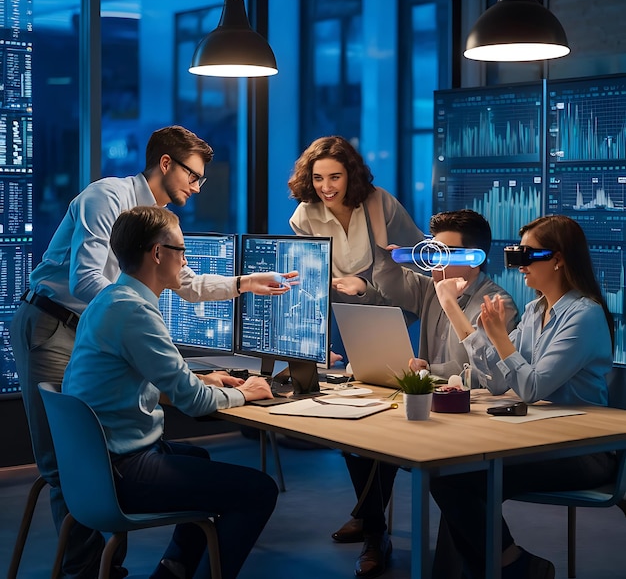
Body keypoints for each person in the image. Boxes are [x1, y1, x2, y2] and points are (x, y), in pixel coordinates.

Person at [10, 125, 298, 579]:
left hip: (93, 325)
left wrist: (242, 283)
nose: (197, 186)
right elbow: (89, 281)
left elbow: (177, 281)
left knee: (142, 452)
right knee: (65, 464)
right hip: (51, 323)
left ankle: (154, 568)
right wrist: (132, 323)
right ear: (166, 163)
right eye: (194, 175)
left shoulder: (152, 231)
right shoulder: (107, 198)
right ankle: (86, 572)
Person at [62, 205, 280, 579]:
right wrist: (248, 391)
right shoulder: (135, 313)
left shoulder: (109, 300)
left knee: (199, 457)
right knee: (259, 491)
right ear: (157, 253)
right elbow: (192, 403)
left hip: (95, 466)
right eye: (181, 250)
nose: (185, 260)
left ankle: (173, 570)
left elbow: (141, 378)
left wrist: (207, 379)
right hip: (124, 470)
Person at [331, 209, 519, 579]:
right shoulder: (434, 287)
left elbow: (476, 376)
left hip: (468, 417)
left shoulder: (497, 304)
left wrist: (423, 370)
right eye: (434, 250)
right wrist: (384, 258)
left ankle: (370, 525)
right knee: (360, 441)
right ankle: (373, 529)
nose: (436, 259)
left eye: (447, 252)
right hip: (427, 404)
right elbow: (393, 284)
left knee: (399, 452)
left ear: (473, 258)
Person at [430, 214, 616, 579]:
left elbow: (533, 387)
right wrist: (460, 315)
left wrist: (495, 335)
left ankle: (510, 565)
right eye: (516, 254)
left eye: (527, 255)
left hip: (584, 449)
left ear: (558, 259)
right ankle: (509, 563)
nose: (518, 266)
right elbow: (498, 383)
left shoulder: (585, 315)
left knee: (458, 480)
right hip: (539, 438)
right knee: (450, 474)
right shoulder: (534, 311)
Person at [287, 135, 425, 359]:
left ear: (350, 176)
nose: (326, 187)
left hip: (397, 309)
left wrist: (363, 286)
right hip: (344, 315)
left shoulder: (380, 204)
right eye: (318, 178)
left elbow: (415, 276)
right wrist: (314, 345)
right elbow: (312, 285)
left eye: (335, 177)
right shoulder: (304, 216)